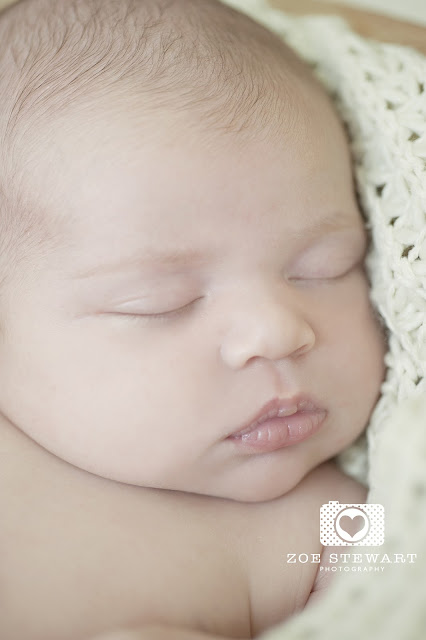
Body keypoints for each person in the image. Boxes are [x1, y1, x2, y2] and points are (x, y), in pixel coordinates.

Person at [0, 0, 388, 638]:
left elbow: (397, 599)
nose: (277, 332)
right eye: (161, 301)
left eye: (325, 266)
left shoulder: (333, 522)